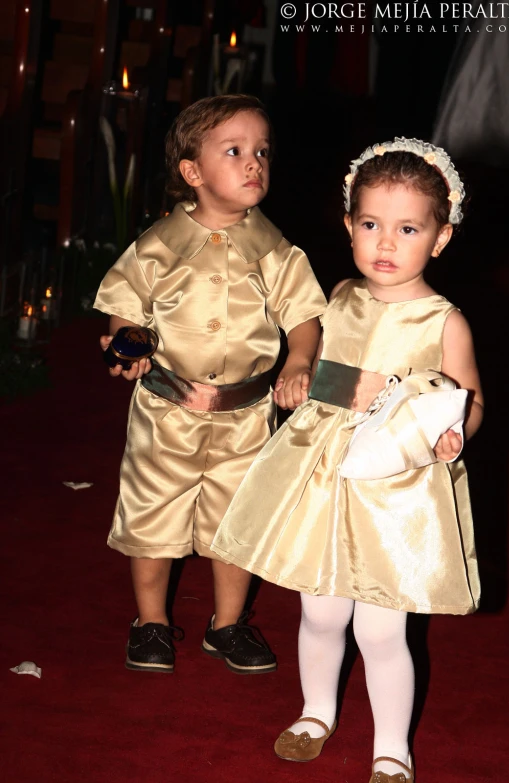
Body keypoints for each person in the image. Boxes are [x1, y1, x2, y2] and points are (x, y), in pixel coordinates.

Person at [212, 138, 483, 781]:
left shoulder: (444, 322)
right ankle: (316, 711)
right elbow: (321, 365)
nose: (386, 243)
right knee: (321, 611)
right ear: (349, 226)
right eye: (370, 225)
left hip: (395, 487)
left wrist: (459, 433)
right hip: (327, 477)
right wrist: (299, 375)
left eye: (408, 228)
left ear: (440, 239)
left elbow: (469, 399)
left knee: (382, 629)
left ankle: (392, 747)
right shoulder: (338, 297)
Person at [94, 95, 326, 676]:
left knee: (236, 521)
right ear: (192, 174)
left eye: (262, 152)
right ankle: (149, 621)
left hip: (246, 417)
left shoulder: (274, 251)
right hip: (167, 412)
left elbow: (303, 315)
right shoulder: (157, 247)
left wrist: (299, 359)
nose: (254, 163)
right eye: (235, 151)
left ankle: (226, 624)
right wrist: (128, 342)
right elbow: (124, 308)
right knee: (153, 517)